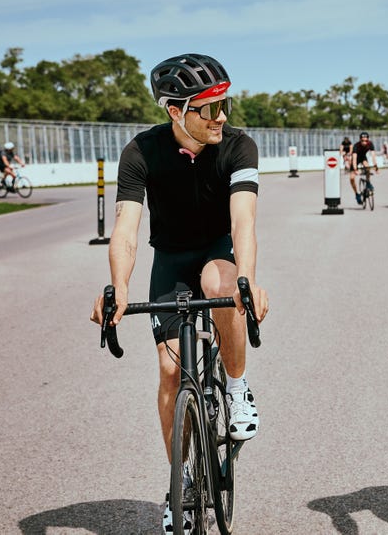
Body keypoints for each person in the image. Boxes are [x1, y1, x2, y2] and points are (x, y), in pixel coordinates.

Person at [88, 53, 269, 535]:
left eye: (224, 104)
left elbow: (243, 222)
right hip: (169, 259)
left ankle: (235, 388)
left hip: (216, 254)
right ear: (175, 110)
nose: (222, 116)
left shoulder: (238, 147)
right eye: (209, 109)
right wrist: (119, 287)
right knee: (170, 371)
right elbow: (126, 230)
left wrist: (247, 279)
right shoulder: (141, 152)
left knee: (221, 283)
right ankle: (182, 481)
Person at [348, 131, 378, 205]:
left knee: (367, 167)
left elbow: (373, 156)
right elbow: (354, 159)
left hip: (363, 157)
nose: (364, 142)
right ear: (360, 140)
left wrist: (375, 166)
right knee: (352, 178)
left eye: (366, 140)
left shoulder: (370, 144)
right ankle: (357, 194)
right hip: (356, 158)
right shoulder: (356, 146)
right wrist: (355, 169)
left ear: (368, 140)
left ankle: (368, 182)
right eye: (362, 140)